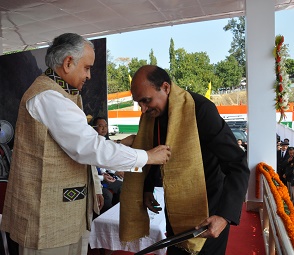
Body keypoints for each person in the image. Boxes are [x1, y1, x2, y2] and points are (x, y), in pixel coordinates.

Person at [0, 34, 171, 255]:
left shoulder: (66, 95)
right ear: (68, 63)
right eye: (87, 68)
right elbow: (90, 148)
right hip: (46, 220)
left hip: (70, 214)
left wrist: (95, 187)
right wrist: (147, 156)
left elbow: (82, 149)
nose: (89, 75)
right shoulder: (48, 98)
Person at [119, 65, 250, 255]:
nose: (143, 109)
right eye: (139, 102)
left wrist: (224, 216)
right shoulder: (153, 115)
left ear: (165, 87)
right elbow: (159, 152)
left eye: (146, 101)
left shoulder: (200, 109)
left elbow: (237, 164)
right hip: (177, 204)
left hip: (209, 204)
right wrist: (147, 187)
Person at [92, 116, 125, 212]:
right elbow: (93, 168)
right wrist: (103, 176)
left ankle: (119, 213)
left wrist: (115, 172)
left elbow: (105, 163)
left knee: (123, 186)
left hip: (104, 175)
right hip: (98, 181)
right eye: (100, 126)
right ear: (94, 128)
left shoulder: (105, 142)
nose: (104, 128)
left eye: (106, 126)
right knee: (107, 196)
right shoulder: (92, 144)